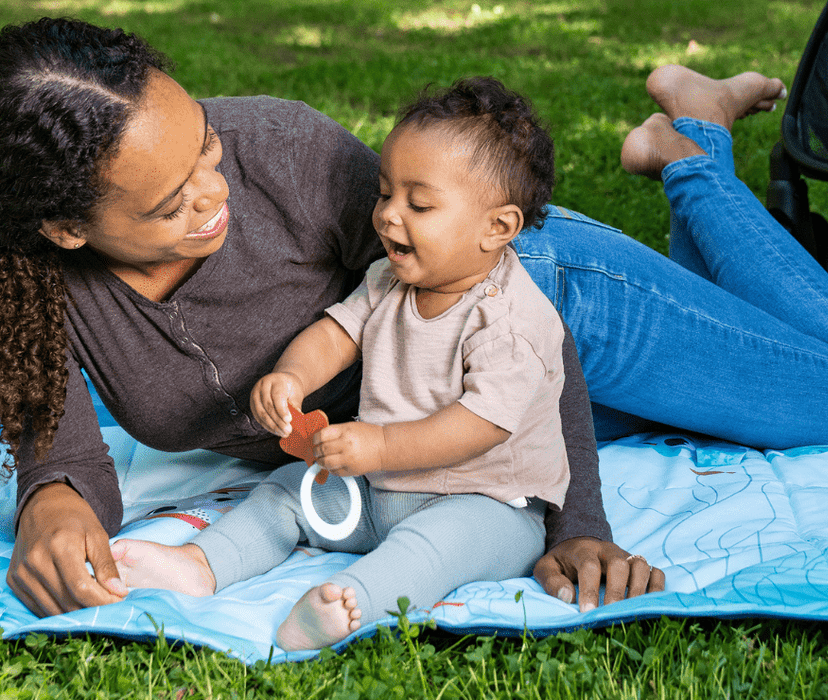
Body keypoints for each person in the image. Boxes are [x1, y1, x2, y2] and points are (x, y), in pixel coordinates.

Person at [0, 18, 828, 620]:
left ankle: (693, 151)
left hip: (551, 297)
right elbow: (61, 450)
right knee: (716, 405)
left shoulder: (284, 152)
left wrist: (573, 523)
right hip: (442, 422)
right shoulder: (24, 290)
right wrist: (51, 506)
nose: (213, 185)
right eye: (169, 201)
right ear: (64, 228)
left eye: (200, 144)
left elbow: (510, 329)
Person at [109, 77, 572, 650]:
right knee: (285, 495)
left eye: (419, 204)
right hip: (377, 490)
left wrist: (378, 447)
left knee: (429, 551)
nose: (388, 216)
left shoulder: (512, 322)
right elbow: (335, 333)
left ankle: (350, 602)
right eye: (385, 194)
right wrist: (291, 376)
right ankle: (202, 565)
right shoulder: (389, 280)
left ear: (497, 228)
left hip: (488, 506)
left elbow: (481, 426)